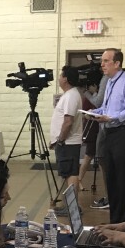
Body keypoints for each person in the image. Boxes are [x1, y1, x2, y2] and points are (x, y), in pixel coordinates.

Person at [83, 48, 125, 223]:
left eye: (106, 61)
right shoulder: (109, 82)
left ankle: (124, 223)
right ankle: (115, 221)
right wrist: (94, 112)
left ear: (117, 63)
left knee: (124, 181)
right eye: (102, 61)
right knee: (111, 180)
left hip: (124, 134)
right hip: (109, 133)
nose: (102, 64)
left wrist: (111, 117)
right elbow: (108, 108)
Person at [49, 65, 83, 201]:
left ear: (66, 79)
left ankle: (72, 206)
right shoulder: (70, 95)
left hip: (68, 142)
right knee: (69, 173)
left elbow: (68, 121)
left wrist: (60, 140)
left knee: (71, 174)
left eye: (61, 75)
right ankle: (70, 206)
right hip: (66, 142)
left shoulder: (71, 96)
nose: (59, 78)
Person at [77, 78, 102, 188]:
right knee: (89, 155)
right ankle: (79, 179)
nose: (92, 88)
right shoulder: (87, 99)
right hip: (91, 129)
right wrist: (87, 116)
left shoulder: (99, 98)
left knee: (101, 156)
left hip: (100, 128)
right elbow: (82, 114)